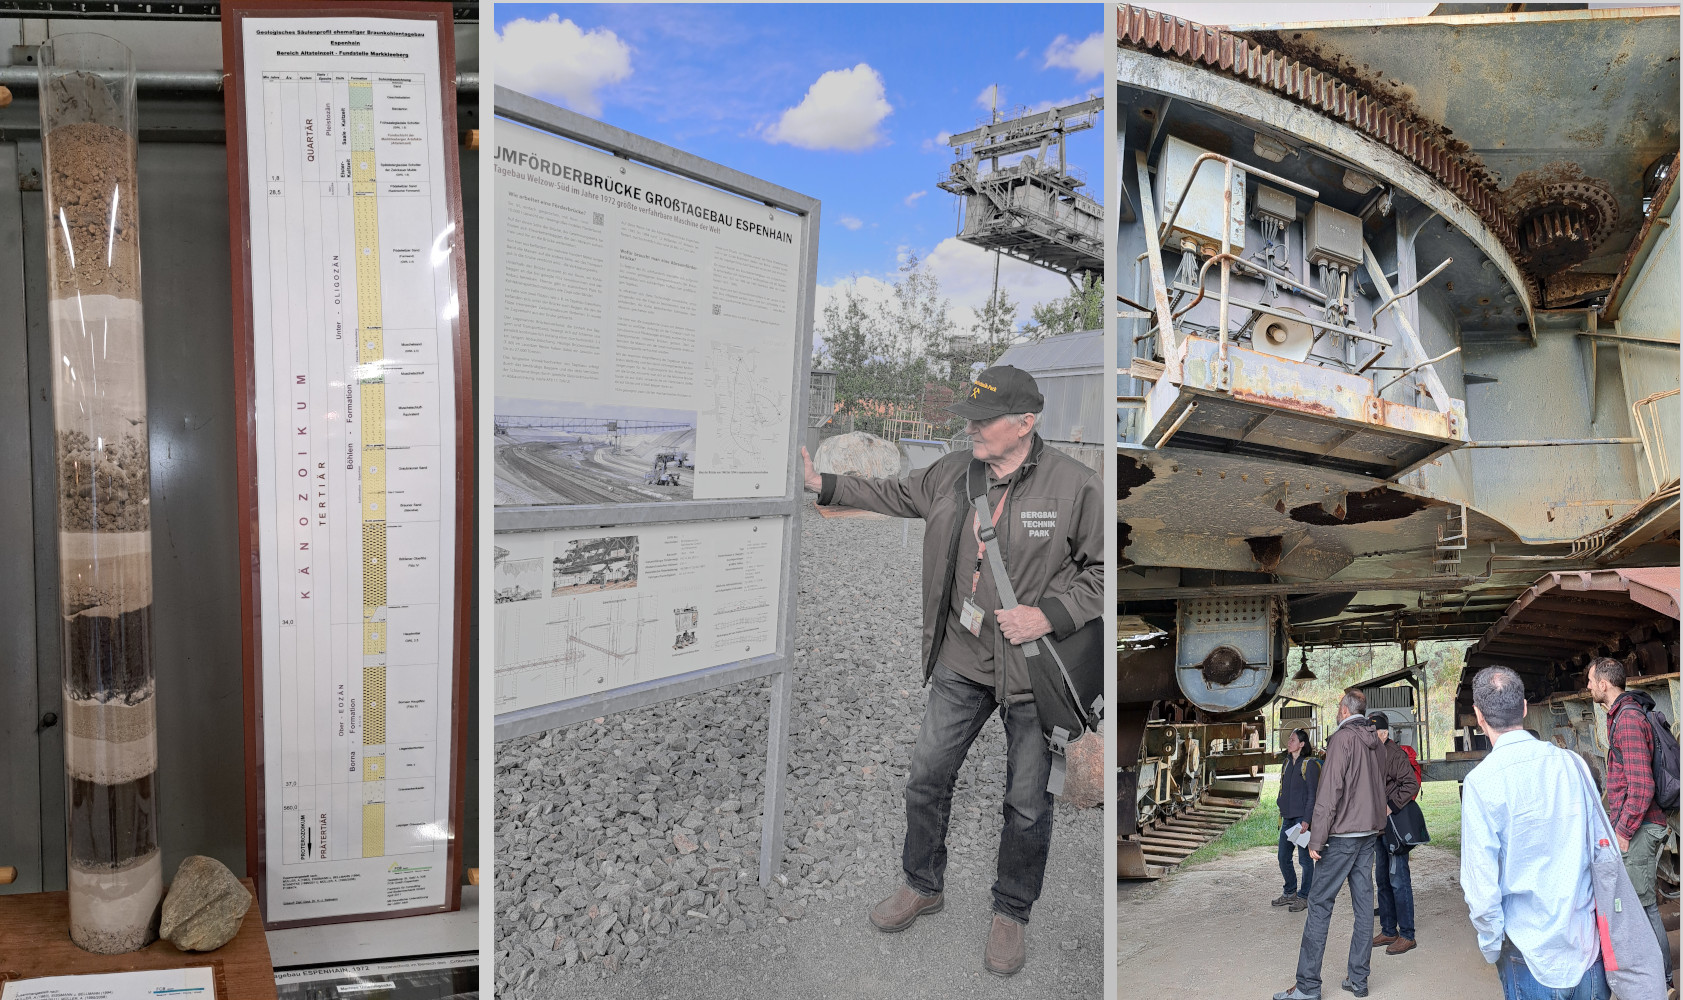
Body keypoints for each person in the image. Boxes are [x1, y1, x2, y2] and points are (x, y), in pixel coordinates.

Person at [800, 364, 1103, 976]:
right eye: (968, 418)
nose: (972, 429)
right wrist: (825, 483)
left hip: (1031, 672)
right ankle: (922, 883)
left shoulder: (1077, 486)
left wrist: (1047, 615)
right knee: (926, 776)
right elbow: (894, 494)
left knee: (1026, 803)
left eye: (984, 420)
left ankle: (1011, 914)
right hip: (962, 660)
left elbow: (1102, 574)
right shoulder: (952, 473)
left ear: (1026, 422)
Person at [1461, 665, 1609, 999]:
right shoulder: (1573, 764)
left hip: (1527, 952)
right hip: (1585, 945)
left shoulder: (1480, 783)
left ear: (1478, 715)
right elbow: (1603, 853)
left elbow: (1481, 885)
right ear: (1525, 708)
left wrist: (1490, 945)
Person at [1273, 690, 1387, 1000]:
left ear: (1346, 709)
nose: (1337, 712)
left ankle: (1308, 987)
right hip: (1368, 835)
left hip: (1342, 836)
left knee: (1320, 904)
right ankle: (1358, 980)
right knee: (1364, 909)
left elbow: (1329, 790)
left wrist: (1317, 839)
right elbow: (1380, 784)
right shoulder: (1374, 741)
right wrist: (1377, 824)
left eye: (1338, 707)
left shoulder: (1342, 738)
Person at [1585, 656, 1675, 988]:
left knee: (1644, 905)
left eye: (1591, 681)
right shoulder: (1623, 715)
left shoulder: (1627, 719)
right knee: (1640, 903)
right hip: (1638, 824)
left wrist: (1622, 832)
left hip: (1641, 825)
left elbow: (1642, 785)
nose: (1589, 686)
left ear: (1605, 684)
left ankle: (1663, 982)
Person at [1367, 713, 1420, 957]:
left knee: (1398, 878)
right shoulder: (1371, 754)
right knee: (1383, 879)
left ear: (1384, 734)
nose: (1370, 736)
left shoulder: (1395, 754)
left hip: (1394, 825)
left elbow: (1410, 784)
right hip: (1378, 827)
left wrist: (1391, 805)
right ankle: (1388, 929)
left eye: (1374, 732)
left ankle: (1407, 935)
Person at [1274, 728, 1320, 912]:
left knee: (1304, 860)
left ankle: (1304, 896)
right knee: (1283, 857)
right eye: (1289, 739)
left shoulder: (1307, 765)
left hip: (1301, 820)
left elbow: (1312, 795)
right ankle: (1290, 891)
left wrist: (1307, 820)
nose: (1289, 742)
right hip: (1288, 817)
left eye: (1293, 740)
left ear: (1302, 744)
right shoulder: (1286, 763)